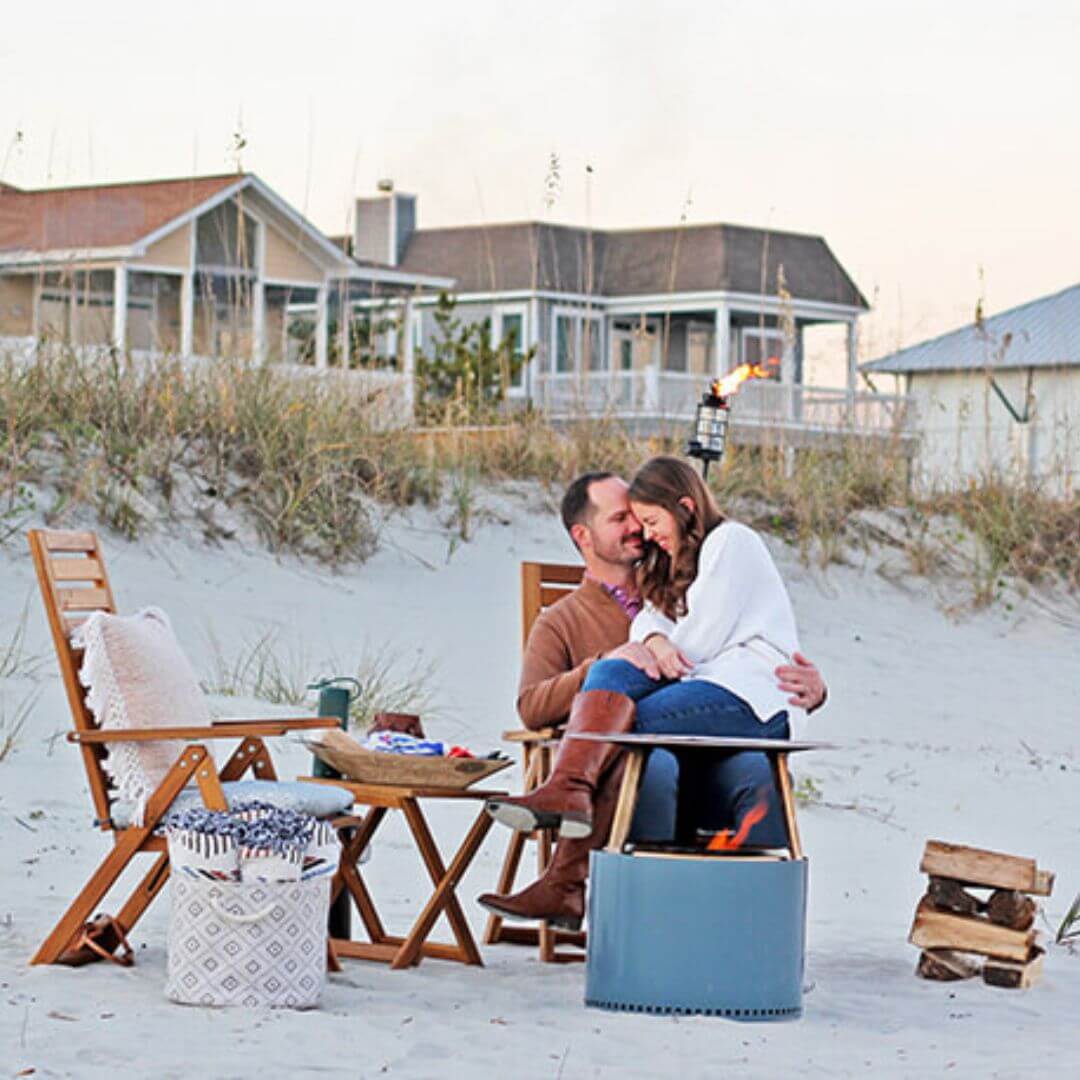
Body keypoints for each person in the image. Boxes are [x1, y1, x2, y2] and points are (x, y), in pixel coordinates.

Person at [478, 462, 825, 929]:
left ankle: (567, 831)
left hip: (727, 710)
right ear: (583, 535)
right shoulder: (563, 618)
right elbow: (532, 706)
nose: (640, 530)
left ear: (682, 509)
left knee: (624, 721)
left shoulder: (700, 556)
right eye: (621, 519)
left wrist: (655, 647)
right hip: (665, 744)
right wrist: (607, 661)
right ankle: (568, 861)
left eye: (644, 519)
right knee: (618, 696)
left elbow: (702, 646)